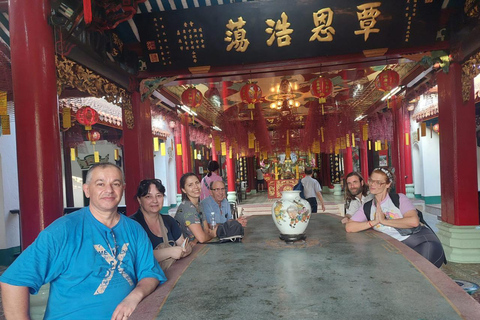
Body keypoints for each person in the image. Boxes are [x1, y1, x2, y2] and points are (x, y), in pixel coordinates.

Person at [0, 163, 166, 319]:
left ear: (122, 189)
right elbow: (13, 280)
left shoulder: (134, 229)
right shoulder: (63, 230)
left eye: (115, 184)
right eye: (100, 184)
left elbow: (150, 273)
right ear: (87, 190)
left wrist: (133, 298)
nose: (109, 190)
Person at [345, 168, 445, 268]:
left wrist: (384, 221)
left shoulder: (399, 199)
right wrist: (373, 222)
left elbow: (414, 221)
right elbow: (349, 227)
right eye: (371, 180)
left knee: (419, 271)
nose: (372, 184)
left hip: (421, 243)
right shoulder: (367, 207)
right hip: (395, 248)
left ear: (388, 184)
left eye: (378, 182)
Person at [131, 179, 192, 271]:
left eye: (159, 196)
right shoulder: (132, 225)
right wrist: (169, 252)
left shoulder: (169, 221)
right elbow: (135, 258)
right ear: (139, 200)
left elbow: (183, 244)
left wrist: (186, 249)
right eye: (148, 197)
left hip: (171, 275)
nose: (155, 200)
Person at [175, 172, 217, 244]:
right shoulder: (187, 208)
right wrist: (213, 234)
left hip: (198, 247)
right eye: (190, 185)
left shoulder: (199, 205)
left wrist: (199, 238)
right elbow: (202, 238)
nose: (196, 187)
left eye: (197, 183)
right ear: (184, 190)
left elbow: (206, 230)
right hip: (188, 251)